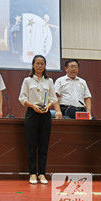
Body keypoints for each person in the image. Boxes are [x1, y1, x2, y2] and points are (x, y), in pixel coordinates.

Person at [18, 55, 62, 184]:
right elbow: (22, 98)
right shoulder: (27, 80)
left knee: (44, 145)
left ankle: (42, 173)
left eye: (42, 64)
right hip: (32, 112)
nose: (39, 66)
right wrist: (33, 106)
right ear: (33, 65)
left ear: (45, 66)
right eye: (37, 63)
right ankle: (32, 173)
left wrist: (48, 106)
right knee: (32, 145)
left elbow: (53, 98)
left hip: (46, 114)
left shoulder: (49, 81)